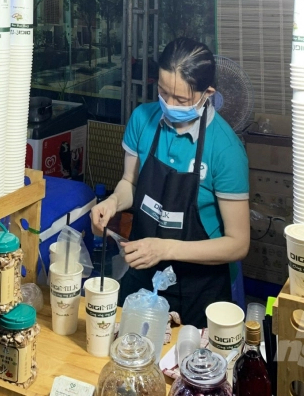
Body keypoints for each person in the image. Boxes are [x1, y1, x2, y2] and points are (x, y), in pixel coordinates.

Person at [91, 37, 250, 328]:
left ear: (207, 94)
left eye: (181, 100)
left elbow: (238, 244)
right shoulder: (143, 119)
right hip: (142, 273)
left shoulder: (225, 149)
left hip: (200, 289)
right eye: (164, 94)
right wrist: (113, 202)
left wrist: (165, 249)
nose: (170, 105)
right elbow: (130, 182)